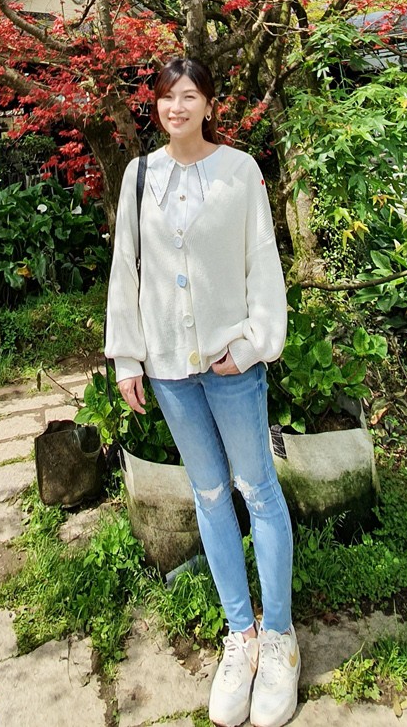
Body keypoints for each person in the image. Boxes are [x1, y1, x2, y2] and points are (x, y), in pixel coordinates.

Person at [105, 57, 298, 727]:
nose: (176, 107)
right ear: (155, 106)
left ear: (210, 104)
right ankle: (238, 635)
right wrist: (127, 354)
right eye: (165, 97)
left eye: (189, 96)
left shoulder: (240, 172)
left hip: (230, 362)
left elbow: (262, 264)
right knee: (210, 495)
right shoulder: (139, 177)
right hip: (167, 368)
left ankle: (278, 639)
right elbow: (125, 269)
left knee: (258, 490)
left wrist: (251, 343)